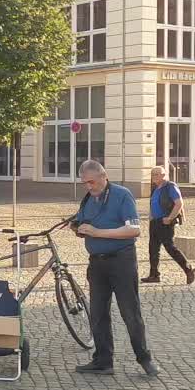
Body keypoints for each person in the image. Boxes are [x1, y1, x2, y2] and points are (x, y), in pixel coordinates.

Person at [72, 160, 159, 377]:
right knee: (98, 313)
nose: (88, 187)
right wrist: (78, 228)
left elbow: (133, 230)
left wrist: (97, 232)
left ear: (104, 176)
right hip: (97, 263)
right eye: (84, 183)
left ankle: (144, 358)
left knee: (130, 311)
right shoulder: (88, 200)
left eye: (91, 182)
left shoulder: (122, 195)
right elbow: (83, 222)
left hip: (121, 261)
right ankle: (103, 360)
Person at [143, 166, 195, 285]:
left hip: (165, 222)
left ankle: (189, 269)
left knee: (170, 248)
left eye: (157, 174)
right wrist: (151, 216)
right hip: (155, 222)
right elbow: (153, 202)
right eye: (153, 174)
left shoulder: (170, 186)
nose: (155, 176)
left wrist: (170, 218)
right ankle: (154, 275)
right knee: (153, 249)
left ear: (164, 175)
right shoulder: (155, 188)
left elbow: (179, 203)